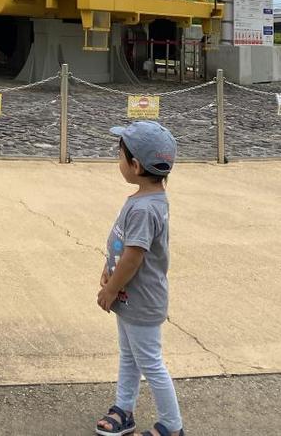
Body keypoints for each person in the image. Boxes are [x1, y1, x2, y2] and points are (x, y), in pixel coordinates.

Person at [94, 121, 185, 436]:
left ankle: (171, 426)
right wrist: (109, 269)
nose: (118, 161)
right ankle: (124, 408)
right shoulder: (145, 200)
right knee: (130, 355)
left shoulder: (145, 209)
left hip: (140, 299)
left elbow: (134, 257)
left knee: (151, 364)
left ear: (135, 165)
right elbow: (124, 250)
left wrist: (111, 289)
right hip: (129, 297)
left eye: (120, 156)